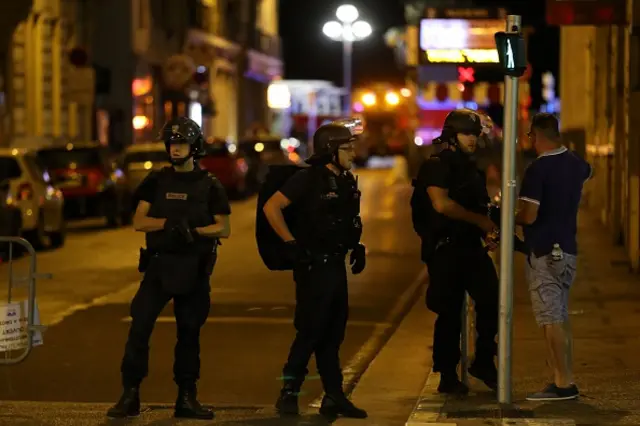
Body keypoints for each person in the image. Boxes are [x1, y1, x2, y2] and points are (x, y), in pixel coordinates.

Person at [107, 117, 231, 419]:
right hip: (160, 266)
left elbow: (223, 228)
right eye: (172, 144)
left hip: (194, 268)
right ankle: (130, 394)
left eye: (182, 144)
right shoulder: (156, 181)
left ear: (195, 147)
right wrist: (168, 225)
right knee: (140, 327)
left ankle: (187, 397)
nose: (176, 149)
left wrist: (194, 231)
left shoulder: (210, 185)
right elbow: (139, 221)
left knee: (189, 334)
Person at [262, 120, 368, 419]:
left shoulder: (346, 180)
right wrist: (291, 243)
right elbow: (272, 207)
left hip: (335, 266)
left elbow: (346, 220)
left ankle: (334, 396)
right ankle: (289, 393)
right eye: (347, 147)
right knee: (310, 331)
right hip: (312, 266)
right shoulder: (307, 179)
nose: (352, 152)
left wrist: (355, 246)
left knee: (333, 333)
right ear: (330, 150)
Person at [411, 109, 500, 395]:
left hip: (471, 246)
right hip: (446, 249)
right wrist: (480, 222)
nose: (472, 139)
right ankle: (447, 374)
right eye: (467, 134)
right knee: (448, 313)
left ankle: (484, 360)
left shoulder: (470, 166)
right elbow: (441, 204)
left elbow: (478, 204)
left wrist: (488, 228)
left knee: (491, 300)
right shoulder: (437, 165)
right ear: (453, 135)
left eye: (475, 134)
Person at [516, 113, 592, 401]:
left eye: (530, 137)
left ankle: (563, 383)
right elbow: (588, 172)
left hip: (545, 251)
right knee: (559, 316)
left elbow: (530, 215)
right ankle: (563, 379)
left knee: (551, 319)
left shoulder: (538, 170)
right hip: (568, 250)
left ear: (536, 136)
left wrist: (515, 215)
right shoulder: (576, 163)